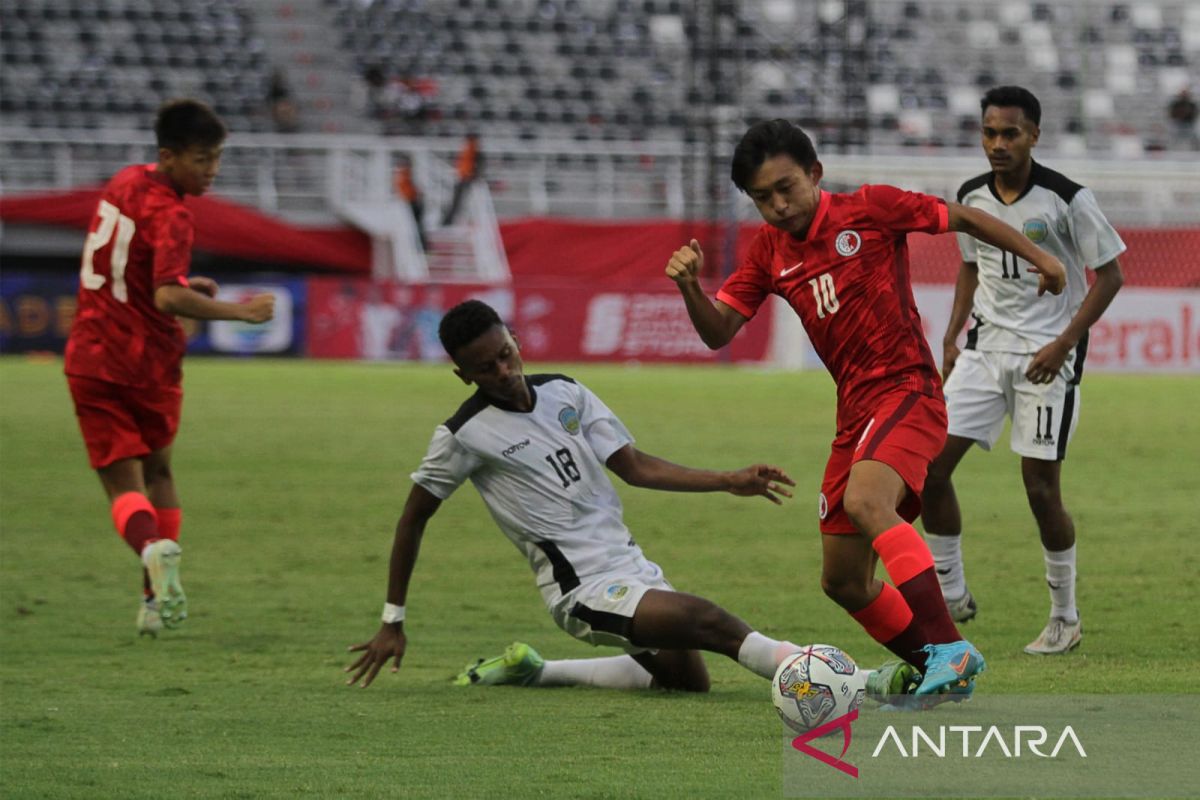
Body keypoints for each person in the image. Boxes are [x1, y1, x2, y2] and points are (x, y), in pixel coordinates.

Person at [665, 119, 1067, 698]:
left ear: (815, 174)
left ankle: (951, 649)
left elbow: (966, 217)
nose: (778, 206)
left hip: (907, 389)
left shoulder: (872, 208)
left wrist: (1042, 260)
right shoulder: (767, 252)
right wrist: (689, 288)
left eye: (786, 188)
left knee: (866, 501)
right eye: (761, 197)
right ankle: (938, 667)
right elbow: (718, 332)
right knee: (843, 579)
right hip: (854, 412)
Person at [345, 299, 824, 693]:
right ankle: (838, 681)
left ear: (513, 337)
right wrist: (393, 619)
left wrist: (727, 479)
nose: (504, 370)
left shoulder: (564, 392)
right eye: (486, 368)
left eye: (506, 353)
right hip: (580, 590)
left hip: (630, 564)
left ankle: (534, 670)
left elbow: (634, 467)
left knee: (688, 684)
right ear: (463, 376)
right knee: (708, 620)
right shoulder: (462, 435)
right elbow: (412, 519)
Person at [921, 86, 1126, 655]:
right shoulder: (970, 196)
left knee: (1039, 489)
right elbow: (969, 267)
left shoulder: (1067, 198)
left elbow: (1110, 275)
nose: (998, 144)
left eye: (1010, 133)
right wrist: (951, 334)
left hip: (1046, 358)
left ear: (1035, 134)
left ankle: (1065, 616)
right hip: (985, 351)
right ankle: (952, 591)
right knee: (929, 467)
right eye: (989, 133)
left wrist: (1064, 343)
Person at [64, 99, 275, 636]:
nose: (212, 170)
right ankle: (153, 596)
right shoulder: (175, 214)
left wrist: (185, 285)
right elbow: (164, 298)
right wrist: (238, 311)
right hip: (151, 362)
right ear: (169, 156)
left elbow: (142, 273)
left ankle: (152, 559)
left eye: (216, 159)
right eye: (202, 159)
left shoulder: (125, 181)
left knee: (123, 486)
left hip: (95, 356)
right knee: (158, 473)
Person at [441, 133, 480, 226]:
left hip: (465, 178)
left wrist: (469, 174)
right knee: (456, 201)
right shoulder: (470, 148)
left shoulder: (470, 148)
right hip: (464, 177)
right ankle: (449, 220)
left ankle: (448, 221)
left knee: (456, 201)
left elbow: (471, 164)